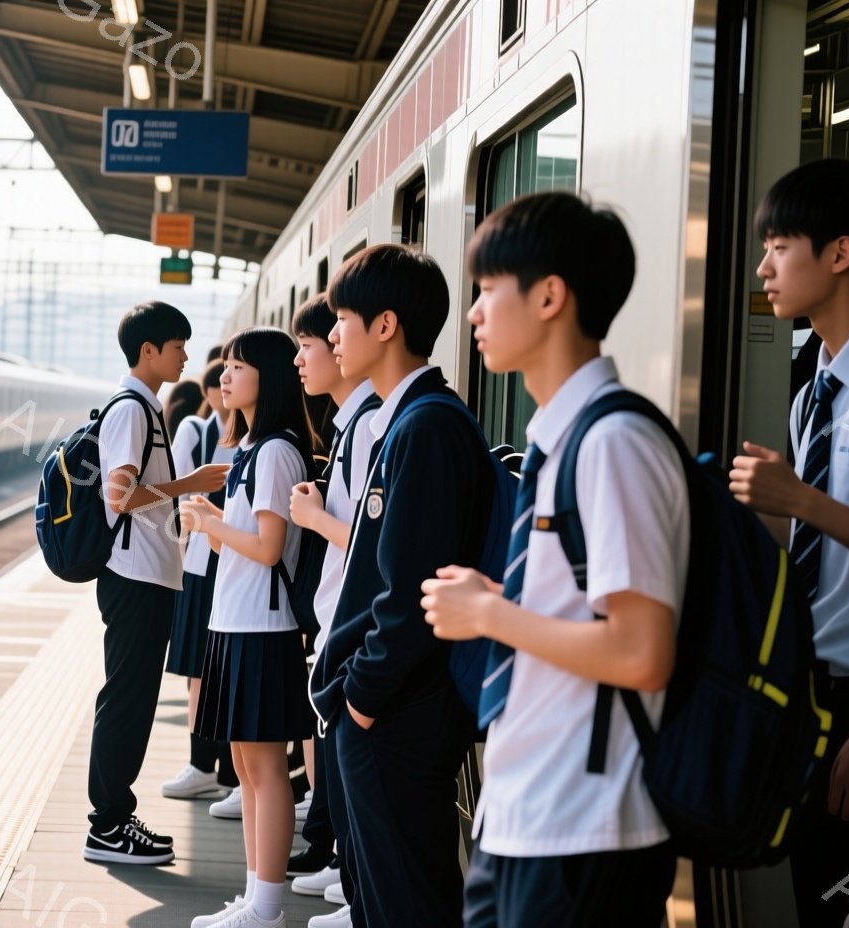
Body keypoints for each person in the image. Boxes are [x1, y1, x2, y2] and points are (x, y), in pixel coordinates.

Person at [421, 192, 687, 928]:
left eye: (486, 291)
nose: (473, 314)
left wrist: (491, 613)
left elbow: (641, 652)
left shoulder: (613, 445)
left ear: (548, 297)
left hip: (585, 830)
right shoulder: (559, 441)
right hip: (525, 813)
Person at [729, 159, 849, 928]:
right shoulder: (815, 391)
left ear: (840, 254)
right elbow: (825, 542)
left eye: (780, 246)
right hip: (816, 695)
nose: (765, 268)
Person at [308, 243, 489, 928]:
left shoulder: (428, 428)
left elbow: (411, 590)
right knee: (384, 898)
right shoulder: (410, 422)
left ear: (385, 326)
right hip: (387, 709)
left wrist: (360, 698)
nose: (332, 337)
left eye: (342, 319)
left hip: (396, 713)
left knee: (406, 905)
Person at [82, 300, 229, 867]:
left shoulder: (144, 407)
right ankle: (107, 826)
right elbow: (116, 497)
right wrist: (187, 483)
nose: (187, 355)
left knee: (134, 699)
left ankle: (116, 816)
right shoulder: (132, 411)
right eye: (178, 345)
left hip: (147, 575)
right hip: (134, 575)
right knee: (126, 699)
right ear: (150, 351)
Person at [180, 327, 315, 928]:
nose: (224, 376)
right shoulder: (252, 449)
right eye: (225, 366)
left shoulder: (277, 451)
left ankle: (267, 906)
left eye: (238, 366)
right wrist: (212, 519)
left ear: (271, 375)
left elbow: (267, 548)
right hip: (234, 622)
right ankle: (253, 897)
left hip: (263, 626)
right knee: (244, 764)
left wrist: (210, 525)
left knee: (262, 767)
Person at [286, 295, 382, 926]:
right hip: (338, 619)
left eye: (315, 342)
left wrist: (315, 518)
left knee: (360, 780)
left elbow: (374, 541)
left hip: (356, 625)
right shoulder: (355, 423)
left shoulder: (371, 424)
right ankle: (349, 875)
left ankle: (359, 889)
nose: (303, 359)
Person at [160, 362, 240, 803]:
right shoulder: (197, 430)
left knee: (228, 670)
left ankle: (230, 773)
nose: (225, 384)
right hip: (200, 562)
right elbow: (176, 494)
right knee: (198, 670)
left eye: (236, 372)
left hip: (235, 559)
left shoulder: (258, 441)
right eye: (222, 377)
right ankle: (200, 763)